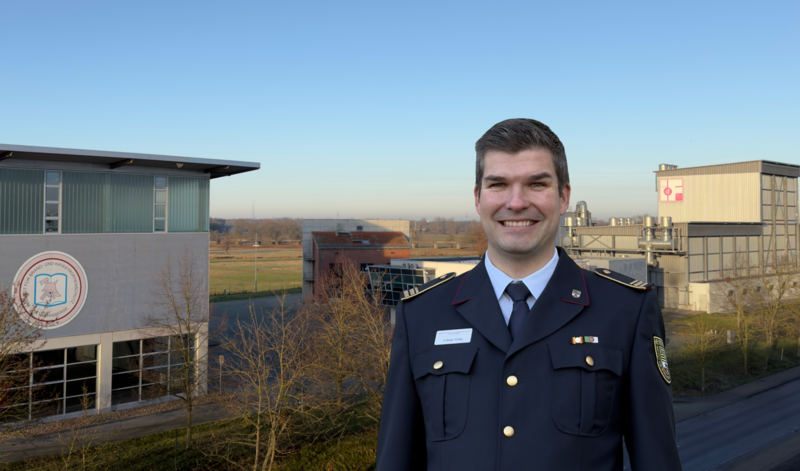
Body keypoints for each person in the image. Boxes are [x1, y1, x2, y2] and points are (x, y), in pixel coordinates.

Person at [376, 119, 681, 470]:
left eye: (536, 183)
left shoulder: (626, 310)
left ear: (563, 197)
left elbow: (657, 459)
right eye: (498, 184)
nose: (516, 202)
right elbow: (396, 458)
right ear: (478, 198)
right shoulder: (423, 313)